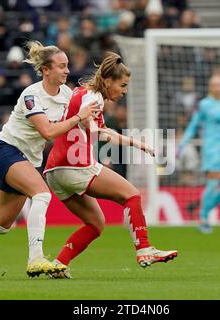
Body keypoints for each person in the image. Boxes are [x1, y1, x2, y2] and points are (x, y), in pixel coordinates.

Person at [0, 41, 100, 278]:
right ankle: (35, 259)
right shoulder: (31, 95)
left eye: (67, 66)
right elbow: (48, 132)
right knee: (42, 194)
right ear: (46, 69)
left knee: (0, 224)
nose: (67, 71)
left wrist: (91, 115)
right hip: (7, 151)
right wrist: (78, 117)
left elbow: (79, 116)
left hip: (28, 159)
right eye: (62, 66)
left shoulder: (66, 94)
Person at [44, 52, 178, 278]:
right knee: (132, 196)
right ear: (107, 81)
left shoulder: (81, 92)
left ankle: (58, 265)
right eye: (123, 85)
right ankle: (144, 249)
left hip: (54, 172)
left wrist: (139, 144)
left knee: (95, 224)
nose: (124, 91)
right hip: (77, 167)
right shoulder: (94, 98)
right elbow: (92, 124)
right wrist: (92, 128)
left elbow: (103, 132)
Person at [177, 74, 220, 234]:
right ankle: (204, 218)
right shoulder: (204, 105)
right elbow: (193, 125)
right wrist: (182, 144)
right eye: (214, 85)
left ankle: (204, 209)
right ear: (210, 87)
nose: (217, 88)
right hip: (212, 148)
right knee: (213, 183)